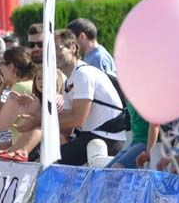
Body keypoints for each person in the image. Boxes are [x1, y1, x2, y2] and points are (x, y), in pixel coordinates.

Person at [54, 29, 127, 165]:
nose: (52, 54)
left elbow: (77, 119)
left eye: (57, 48)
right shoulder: (68, 82)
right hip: (91, 137)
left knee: (52, 163)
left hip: (105, 139)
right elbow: (66, 128)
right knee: (46, 154)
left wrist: (41, 122)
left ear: (73, 48)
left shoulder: (83, 74)